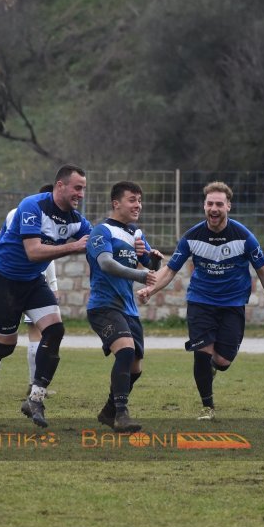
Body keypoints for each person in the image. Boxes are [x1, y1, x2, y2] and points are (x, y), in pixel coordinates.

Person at [137, 181, 264, 420]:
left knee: (223, 360)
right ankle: (207, 407)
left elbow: (263, 272)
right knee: (202, 353)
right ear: (204, 206)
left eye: (219, 204)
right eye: (210, 204)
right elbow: (170, 270)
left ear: (229, 206)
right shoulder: (191, 237)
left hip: (232, 304)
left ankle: (213, 369)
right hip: (201, 302)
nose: (214, 208)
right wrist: (151, 290)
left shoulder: (244, 237)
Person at [0, 164, 91, 428]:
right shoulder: (31, 206)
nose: (81, 194)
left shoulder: (76, 219)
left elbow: (98, 242)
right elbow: (33, 252)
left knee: (55, 330)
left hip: (33, 282)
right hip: (2, 282)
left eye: (83, 189)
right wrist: (73, 246)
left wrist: (137, 251)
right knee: (6, 346)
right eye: (77, 188)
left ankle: (36, 397)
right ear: (60, 186)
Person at [86, 181, 163, 433]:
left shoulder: (136, 234)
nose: (138, 205)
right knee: (126, 350)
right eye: (132, 199)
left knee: (135, 368)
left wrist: (154, 260)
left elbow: (151, 265)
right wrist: (139, 275)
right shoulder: (102, 231)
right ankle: (121, 415)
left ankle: (109, 411)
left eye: (140, 200)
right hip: (103, 306)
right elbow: (107, 264)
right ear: (115, 203)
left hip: (128, 308)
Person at [0, 183, 60, 398]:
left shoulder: (24, 214)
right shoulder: (23, 214)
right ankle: (25, 381)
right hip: (16, 282)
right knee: (15, 336)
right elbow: (35, 251)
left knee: (20, 332)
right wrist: (53, 285)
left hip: (24, 282)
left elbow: (46, 254)